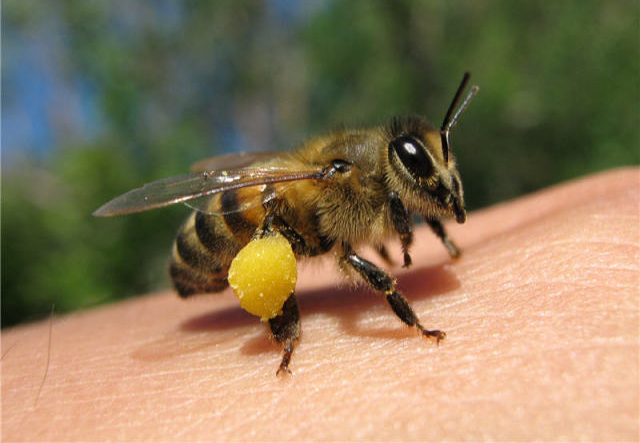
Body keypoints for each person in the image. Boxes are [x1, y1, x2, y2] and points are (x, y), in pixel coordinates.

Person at [2, 168, 638, 441]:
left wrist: (436, 231)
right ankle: (289, 334)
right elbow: (360, 249)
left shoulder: (375, 192)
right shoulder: (344, 181)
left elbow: (392, 214)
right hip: (232, 232)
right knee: (290, 242)